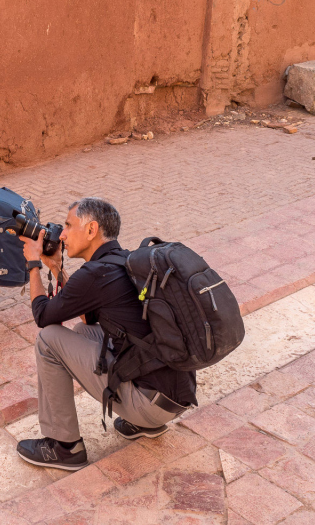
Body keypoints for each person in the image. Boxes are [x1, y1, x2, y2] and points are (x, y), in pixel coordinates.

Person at [15, 197, 197, 471]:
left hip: (149, 404)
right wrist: (55, 267)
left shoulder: (95, 273)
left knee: (49, 340)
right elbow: (89, 317)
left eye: (67, 225)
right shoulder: (125, 261)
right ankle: (142, 422)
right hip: (172, 398)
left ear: (91, 230)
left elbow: (42, 316)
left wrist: (32, 263)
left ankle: (64, 447)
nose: (62, 234)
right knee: (85, 331)